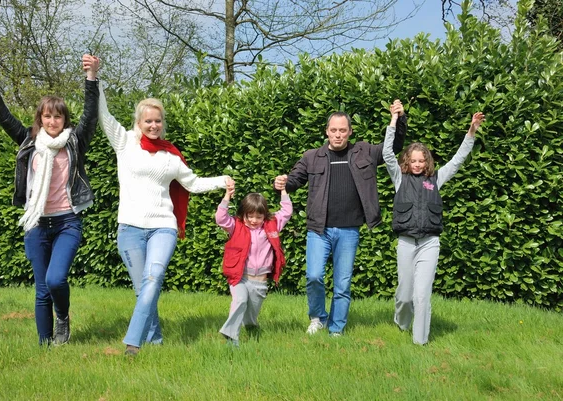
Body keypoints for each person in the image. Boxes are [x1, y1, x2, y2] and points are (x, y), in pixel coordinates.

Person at [97, 82, 230, 356]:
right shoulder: (125, 144)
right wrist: (94, 80)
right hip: (130, 229)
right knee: (142, 288)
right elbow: (104, 115)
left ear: (162, 123)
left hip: (162, 228)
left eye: (158, 121)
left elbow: (192, 183)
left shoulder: (171, 157)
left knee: (153, 279)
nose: (153, 125)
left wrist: (222, 181)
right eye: (148, 120)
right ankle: (155, 342)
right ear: (138, 122)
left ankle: (133, 342)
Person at [0, 55, 100, 346]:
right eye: (47, 116)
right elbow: (3, 115)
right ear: (40, 119)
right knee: (42, 288)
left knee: (56, 279)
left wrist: (91, 76)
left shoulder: (75, 141)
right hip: (36, 223)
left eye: (58, 116)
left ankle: (63, 316)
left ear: (64, 119)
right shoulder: (28, 140)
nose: (53, 121)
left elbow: (90, 114)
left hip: (67, 221)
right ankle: (45, 347)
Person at [274, 102, 407, 336]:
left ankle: (337, 328)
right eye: (334, 130)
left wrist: (399, 118)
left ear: (350, 132)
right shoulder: (311, 157)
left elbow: (393, 147)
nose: (338, 134)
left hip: (349, 231)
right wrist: (282, 182)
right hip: (318, 229)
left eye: (343, 130)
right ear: (327, 131)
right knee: (314, 276)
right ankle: (318, 318)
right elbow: (294, 180)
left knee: (343, 285)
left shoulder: (364, 151)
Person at [383, 106, 485, 345]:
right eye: (413, 160)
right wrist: (393, 120)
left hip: (430, 244)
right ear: (407, 161)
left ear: (427, 161)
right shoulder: (399, 178)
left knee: (422, 296)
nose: (418, 164)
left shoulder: (436, 179)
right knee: (405, 296)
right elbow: (387, 154)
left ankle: (420, 343)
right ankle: (401, 322)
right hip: (406, 244)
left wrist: (471, 131)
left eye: (422, 160)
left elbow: (458, 160)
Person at [216, 179, 293, 347]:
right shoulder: (235, 226)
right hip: (240, 277)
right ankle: (231, 336)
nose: (253, 220)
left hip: (260, 281)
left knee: (252, 314)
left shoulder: (271, 226)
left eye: (258, 216)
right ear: (243, 214)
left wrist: (283, 191)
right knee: (240, 301)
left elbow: (286, 212)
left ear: (265, 216)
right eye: (249, 216)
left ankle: (251, 327)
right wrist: (227, 196)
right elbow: (221, 218)